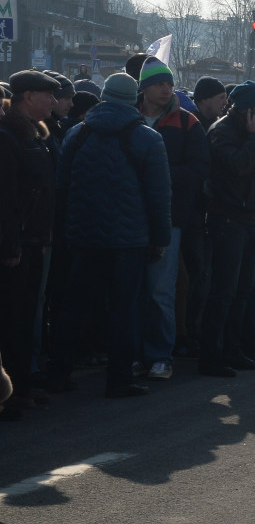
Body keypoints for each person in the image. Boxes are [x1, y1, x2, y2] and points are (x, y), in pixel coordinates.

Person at [52, 73, 171, 397]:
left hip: (84, 238)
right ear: (135, 99)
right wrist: (160, 239)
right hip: (128, 241)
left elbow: (62, 190)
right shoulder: (147, 138)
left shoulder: (76, 134)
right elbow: (159, 197)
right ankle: (119, 379)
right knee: (124, 311)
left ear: (103, 97)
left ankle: (58, 373)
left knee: (75, 308)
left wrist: (67, 232)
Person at [136, 57, 209, 381]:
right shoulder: (130, 119)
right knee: (133, 291)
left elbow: (198, 170)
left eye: (169, 83)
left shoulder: (187, 122)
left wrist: (158, 174)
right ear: (144, 88)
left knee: (160, 290)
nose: (166, 89)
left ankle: (160, 355)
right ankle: (134, 354)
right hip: (129, 218)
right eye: (159, 84)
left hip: (169, 219)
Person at [203, 80, 255, 377]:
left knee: (244, 290)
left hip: (250, 218)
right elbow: (237, 167)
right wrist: (254, 138)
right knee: (224, 291)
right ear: (248, 109)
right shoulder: (223, 131)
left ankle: (239, 348)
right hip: (228, 220)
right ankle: (213, 355)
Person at [0, 71, 61, 414]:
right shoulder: (9, 137)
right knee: (13, 319)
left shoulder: (37, 135)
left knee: (27, 317)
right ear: (26, 97)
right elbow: (6, 199)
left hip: (37, 239)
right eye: (46, 95)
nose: (53, 102)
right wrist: (10, 246)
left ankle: (23, 383)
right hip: (18, 244)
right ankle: (11, 393)